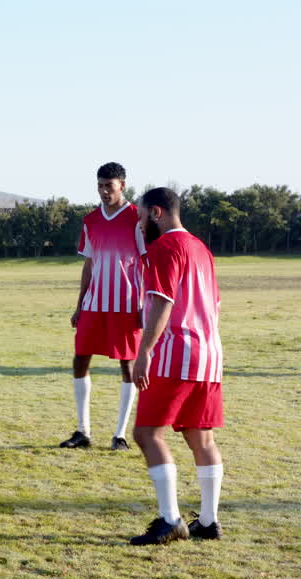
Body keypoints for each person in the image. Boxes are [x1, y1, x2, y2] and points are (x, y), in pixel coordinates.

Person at [128, 187, 224, 545]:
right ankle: (210, 522)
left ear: (156, 213)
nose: (139, 225)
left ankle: (171, 519)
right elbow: (214, 303)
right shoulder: (201, 248)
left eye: (140, 217)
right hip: (210, 354)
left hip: (177, 354)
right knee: (201, 437)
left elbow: (162, 305)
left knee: (147, 434)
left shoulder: (165, 247)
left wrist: (145, 351)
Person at [60, 163, 146, 451]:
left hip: (127, 305)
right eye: (100, 185)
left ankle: (120, 435)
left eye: (109, 185)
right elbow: (89, 263)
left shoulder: (137, 218)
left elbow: (146, 263)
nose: (104, 191)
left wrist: (144, 304)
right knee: (79, 359)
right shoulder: (90, 220)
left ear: (122, 184)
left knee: (128, 365)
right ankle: (83, 431)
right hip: (95, 304)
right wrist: (79, 304)